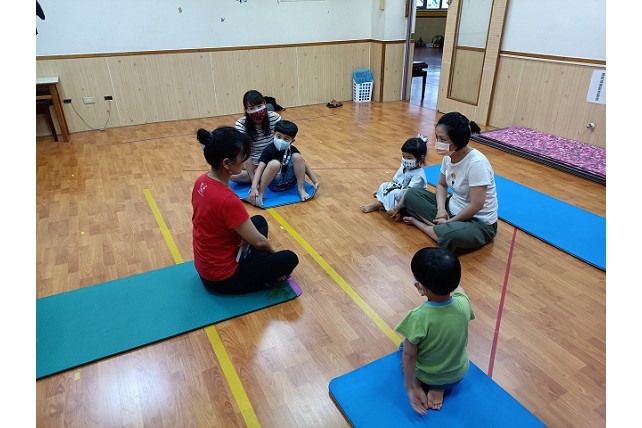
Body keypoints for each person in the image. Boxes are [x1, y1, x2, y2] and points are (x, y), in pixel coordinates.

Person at [192, 126, 299, 294]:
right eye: (242, 157)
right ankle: (264, 269)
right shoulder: (228, 200)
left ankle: (257, 262)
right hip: (223, 279)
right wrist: (273, 256)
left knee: (259, 221)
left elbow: (215, 220)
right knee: (288, 259)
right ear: (226, 163)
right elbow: (260, 242)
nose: (245, 161)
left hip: (205, 266)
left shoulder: (201, 181)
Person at [395, 112, 498, 253]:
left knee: (450, 235)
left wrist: (449, 222)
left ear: (457, 141)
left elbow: (476, 205)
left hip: (477, 222)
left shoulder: (477, 164)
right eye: (437, 137)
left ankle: (423, 225)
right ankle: (438, 227)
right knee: (411, 194)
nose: (437, 143)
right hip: (451, 209)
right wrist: (441, 210)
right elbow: (442, 185)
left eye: (443, 139)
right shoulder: (448, 156)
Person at [395, 247, 475, 414]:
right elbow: (460, 290)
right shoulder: (464, 303)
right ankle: (439, 388)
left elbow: (409, 356)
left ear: (421, 287)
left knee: (404, 348)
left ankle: (419, 384)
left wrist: (410, 387)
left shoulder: (418, 317)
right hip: (457, 376)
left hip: (426, 376)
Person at [245, 120, 320, 207]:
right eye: (279, 137)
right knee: (274, 164)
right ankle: (261, 194)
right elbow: (260, 169)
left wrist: (315, 181)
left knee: (298, 157)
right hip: (274, 183)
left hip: (290, 183)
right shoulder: (269, 149)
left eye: (286, 139)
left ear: (292, 141)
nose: (281, 141)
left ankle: (301, 189)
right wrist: (254, 187)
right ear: (273, 134)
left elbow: (304, 166)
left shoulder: (292, 149)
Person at [360, 135, 428, 215]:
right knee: (383, 186)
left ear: (421, 158)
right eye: (403, 156)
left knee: (394, 193)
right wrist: (385, 190)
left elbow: (408, 193)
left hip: (412, 197)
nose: (405, 160)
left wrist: (396, 208)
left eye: (409, 158)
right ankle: (384, 202)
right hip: (401, 189)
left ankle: (381, 205)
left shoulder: (418, 176)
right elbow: (395, 181)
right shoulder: (404, 166)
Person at [232, 90, 282, 184]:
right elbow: (245, 153)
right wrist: (253, 178)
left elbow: (282, 141)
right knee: (232, 173)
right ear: (246, 109)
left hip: (271, 159)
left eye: (259, 106)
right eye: (252, 108)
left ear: (265, 103)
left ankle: (262, 175)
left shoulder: (274, 117)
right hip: (252, 162)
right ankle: (259, 177)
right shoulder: (241, 124)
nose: (257, 111)